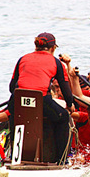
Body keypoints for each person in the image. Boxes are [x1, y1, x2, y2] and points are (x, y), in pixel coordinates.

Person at [8, 32, 74, 162]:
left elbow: (11, 88)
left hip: (17, 100)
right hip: (41, 100)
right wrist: (70, 104)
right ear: (53, 48)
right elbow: (67, 93)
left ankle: (13, 155)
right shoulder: (56, 62)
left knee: (12, 113)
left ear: (35, 45)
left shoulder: (23, 58)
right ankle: (62, 159)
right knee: (63, 117)